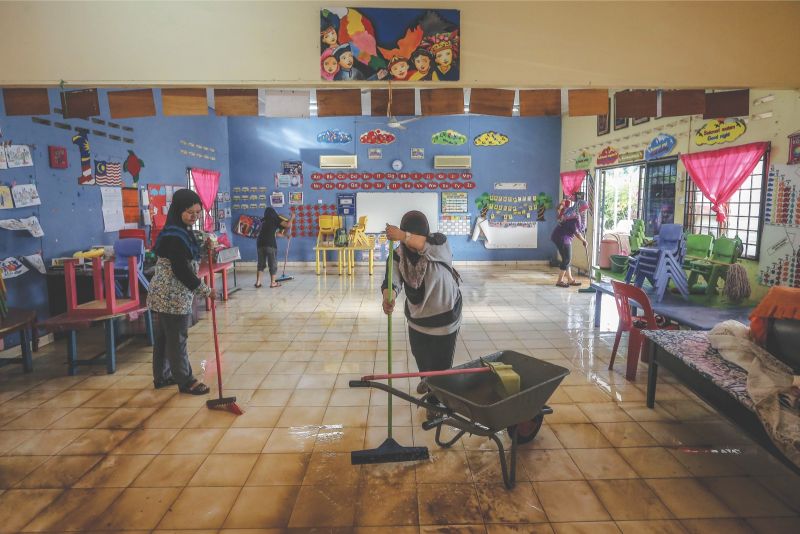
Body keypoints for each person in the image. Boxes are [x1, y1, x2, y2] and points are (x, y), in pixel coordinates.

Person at [382, 211, 462, 406]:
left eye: (414, 236)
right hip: (417, 319)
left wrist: (402, 235)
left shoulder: (438, 243)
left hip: (445, 318)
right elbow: (391, 282)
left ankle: (435, 402)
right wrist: (388, 298)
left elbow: (420, 244)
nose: (410, 244)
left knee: (441, 367)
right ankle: (427, 381)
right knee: (421, 358)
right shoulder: (398, 255)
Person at [148, 189, 213, 395]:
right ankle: (186, 381)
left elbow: (187, 254)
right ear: (178, 210)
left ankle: (162, 376)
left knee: (164, 338)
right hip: (172, 296)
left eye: (197, 213)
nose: (194, 217)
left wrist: (205, 246)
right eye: (190, 212)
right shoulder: (175, 236)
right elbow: (181, 270)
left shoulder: (176, 230)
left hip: (165, 294)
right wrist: (205, 290)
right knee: (177, 339)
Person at [551, 195, 589, 288]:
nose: (583, 211)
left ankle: (570, 279)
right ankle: (559, 281)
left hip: (559, 236)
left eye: (585, 209)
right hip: (562, 238)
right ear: (579, 207)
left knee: (566, 259)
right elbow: (576, 232)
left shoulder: (571, 213)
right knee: (567, 259)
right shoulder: (573, 216)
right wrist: (584, 240)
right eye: (583, 209)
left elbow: (577, 230)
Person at [255, 206, 292, 288]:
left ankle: (258, 282)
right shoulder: (275, 219)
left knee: (261, 263)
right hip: (270, 244)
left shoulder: (263, 221)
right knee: (272, 263)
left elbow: (274, 233)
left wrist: (286, 235)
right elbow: (288, 225)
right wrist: (292, 217)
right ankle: (273, 283)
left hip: (260, 243)